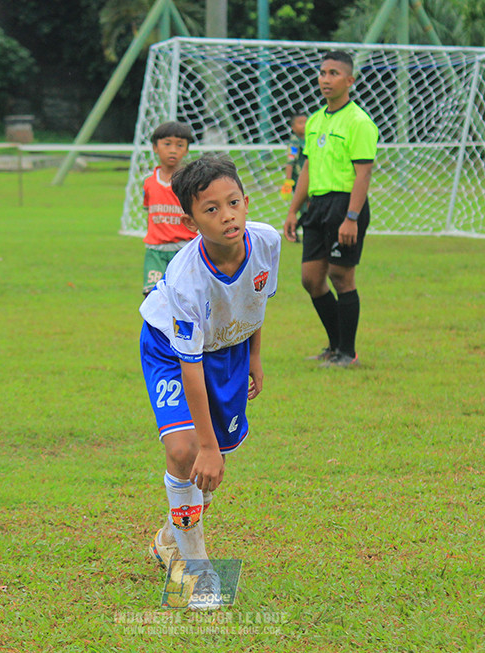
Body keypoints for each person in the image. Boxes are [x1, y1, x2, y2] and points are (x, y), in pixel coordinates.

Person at [139, 154, 280, 609]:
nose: (228, 216)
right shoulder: (185, 279)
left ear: (245, 200)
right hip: (173, 351)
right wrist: (205, 444)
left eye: (233, 202)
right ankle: (195, 570)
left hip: (230, 347)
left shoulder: (267, 241)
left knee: (205, 476)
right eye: (212, 210)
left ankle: (169, 536)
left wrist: (255, 357)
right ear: (191, 220)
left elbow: (256, 298)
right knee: (187, 452)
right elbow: (190, 366)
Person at [284, 50, 378, 368]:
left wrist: (351, 217)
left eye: (334, 73)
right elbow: (307, 169)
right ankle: (335, 345)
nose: (326, 79)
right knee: (311, 279)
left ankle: (346, 353)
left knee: (341, 277)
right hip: (317, 205)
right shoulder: (314, 121)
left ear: (349, 80)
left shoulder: (359, 122)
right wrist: (293, 211)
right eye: (323, 72)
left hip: (345, 204)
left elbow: (363, 173)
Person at [141, 121, 197, 294]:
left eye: (180, 145)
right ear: (155, 147)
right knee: (153, 295)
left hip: (184, 249)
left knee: (185, 296)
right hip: (156, 251)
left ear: (187, 150)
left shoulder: (191, 182)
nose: (173, 150)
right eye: (167, 144)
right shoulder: (149, 182)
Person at [280, 113, 307, 202]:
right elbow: (290, 162)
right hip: (300, 178)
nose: (304, 125)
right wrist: (288, 181)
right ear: (293, 127)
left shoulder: (310, 139)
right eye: (300, 123)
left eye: (306, 122)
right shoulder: (294, 143)